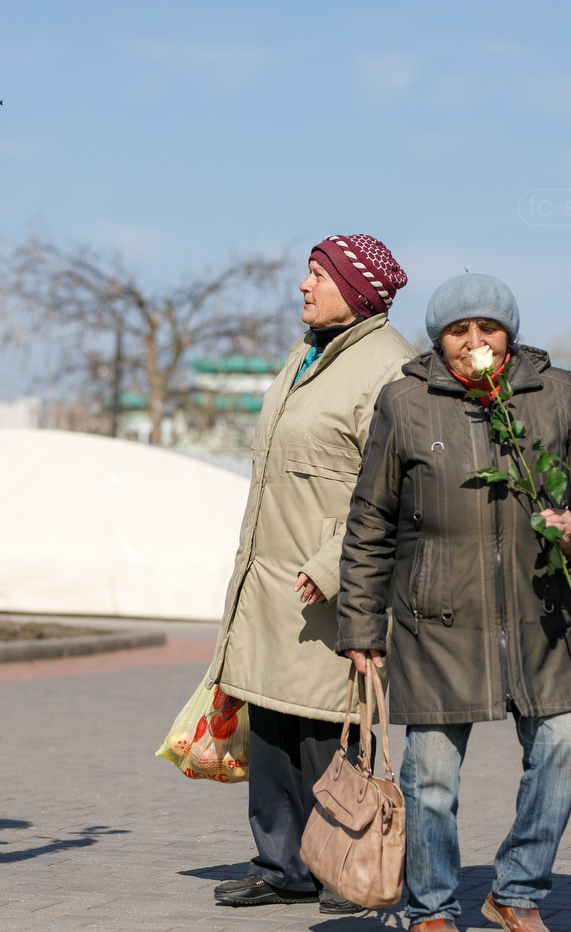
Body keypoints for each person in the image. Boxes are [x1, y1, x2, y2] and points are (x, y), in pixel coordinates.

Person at [336, 272, 571, 932]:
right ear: (438, 340)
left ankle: (517, 889)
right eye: (458, 331)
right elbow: (370, 520)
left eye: (488, 328)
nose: (475, 341)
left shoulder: (556, 393)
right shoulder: (404, 402)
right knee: (431, 778)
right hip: (437, 623)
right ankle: (431, 906)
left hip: (544, 616)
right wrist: (361, 626)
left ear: (508, 335)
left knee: (566, 738)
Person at [208, 235, 415, 914]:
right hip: (272, 579)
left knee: (329, 728)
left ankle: (342, 867)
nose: (304, 285)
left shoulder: (391, 368)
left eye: (319, 276)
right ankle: (282, 866)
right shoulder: (306, 352)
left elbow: (395, 486)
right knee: (272, 726)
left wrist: (334, 564)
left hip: (333, 582)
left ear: (355, 292)